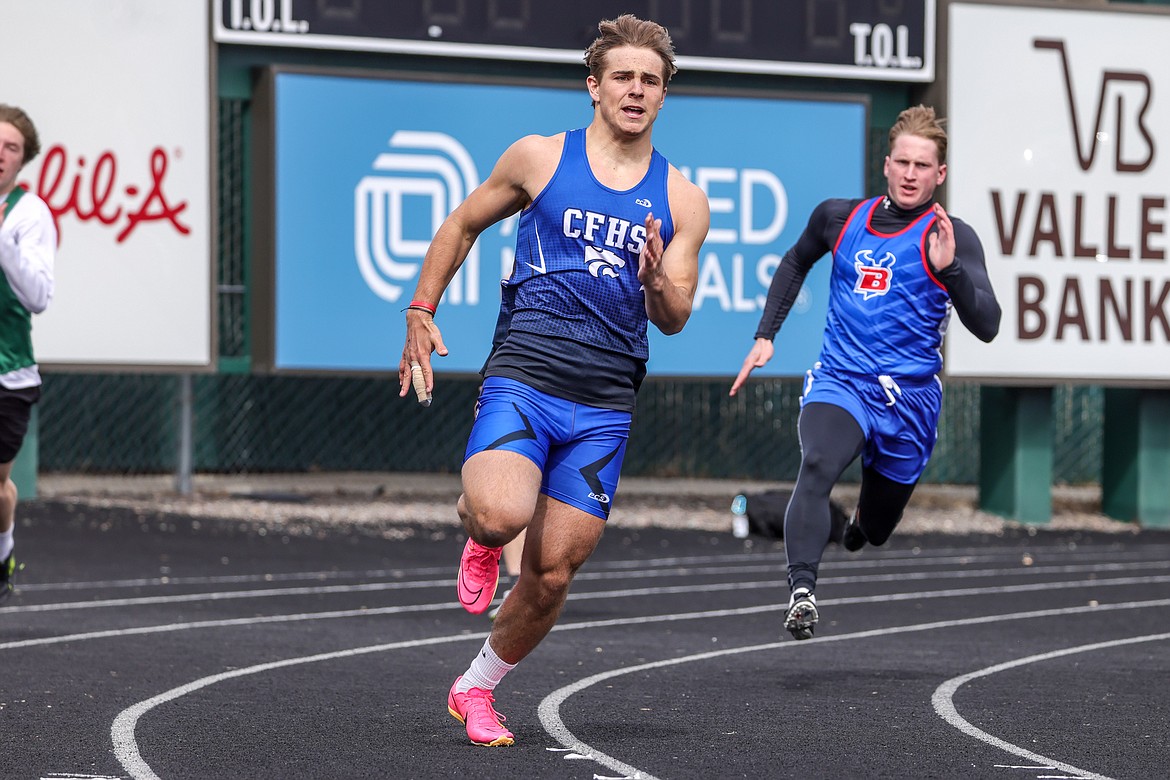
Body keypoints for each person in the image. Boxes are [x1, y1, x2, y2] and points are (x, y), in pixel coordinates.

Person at [398, 14, 709, 747]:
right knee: (502, 517)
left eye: (651, 81)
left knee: (553, 574)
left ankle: (475, 690)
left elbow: (676, 316)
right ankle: (479, 531)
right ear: (594, 86)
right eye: (624, 77)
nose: (637, 90)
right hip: (528, 371)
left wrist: (657, 279)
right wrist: (420, 307)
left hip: (606, 400)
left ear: (664, 96)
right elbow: (460, 225)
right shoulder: (539, 158)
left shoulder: (684, 199)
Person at [729, 105, 1000, 641]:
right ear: (886, 163)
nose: (910, 173)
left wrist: (951, 272)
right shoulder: (839, 217)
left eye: (923, 166)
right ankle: (802, 589)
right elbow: (795, 260)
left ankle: (855, 528)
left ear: (939, 174)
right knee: (818, 464)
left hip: (911, 402)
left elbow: (987, 324)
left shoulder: (952, 236)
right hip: (842, 381)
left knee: (876, 530)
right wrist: (766, 335)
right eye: (902, 161)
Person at [0, 104, 55, 604]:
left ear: (23, 159)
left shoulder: (30, 215)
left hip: (7, 373)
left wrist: (2, 243)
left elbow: (38, 296)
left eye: (10, 147)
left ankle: (3, 549)